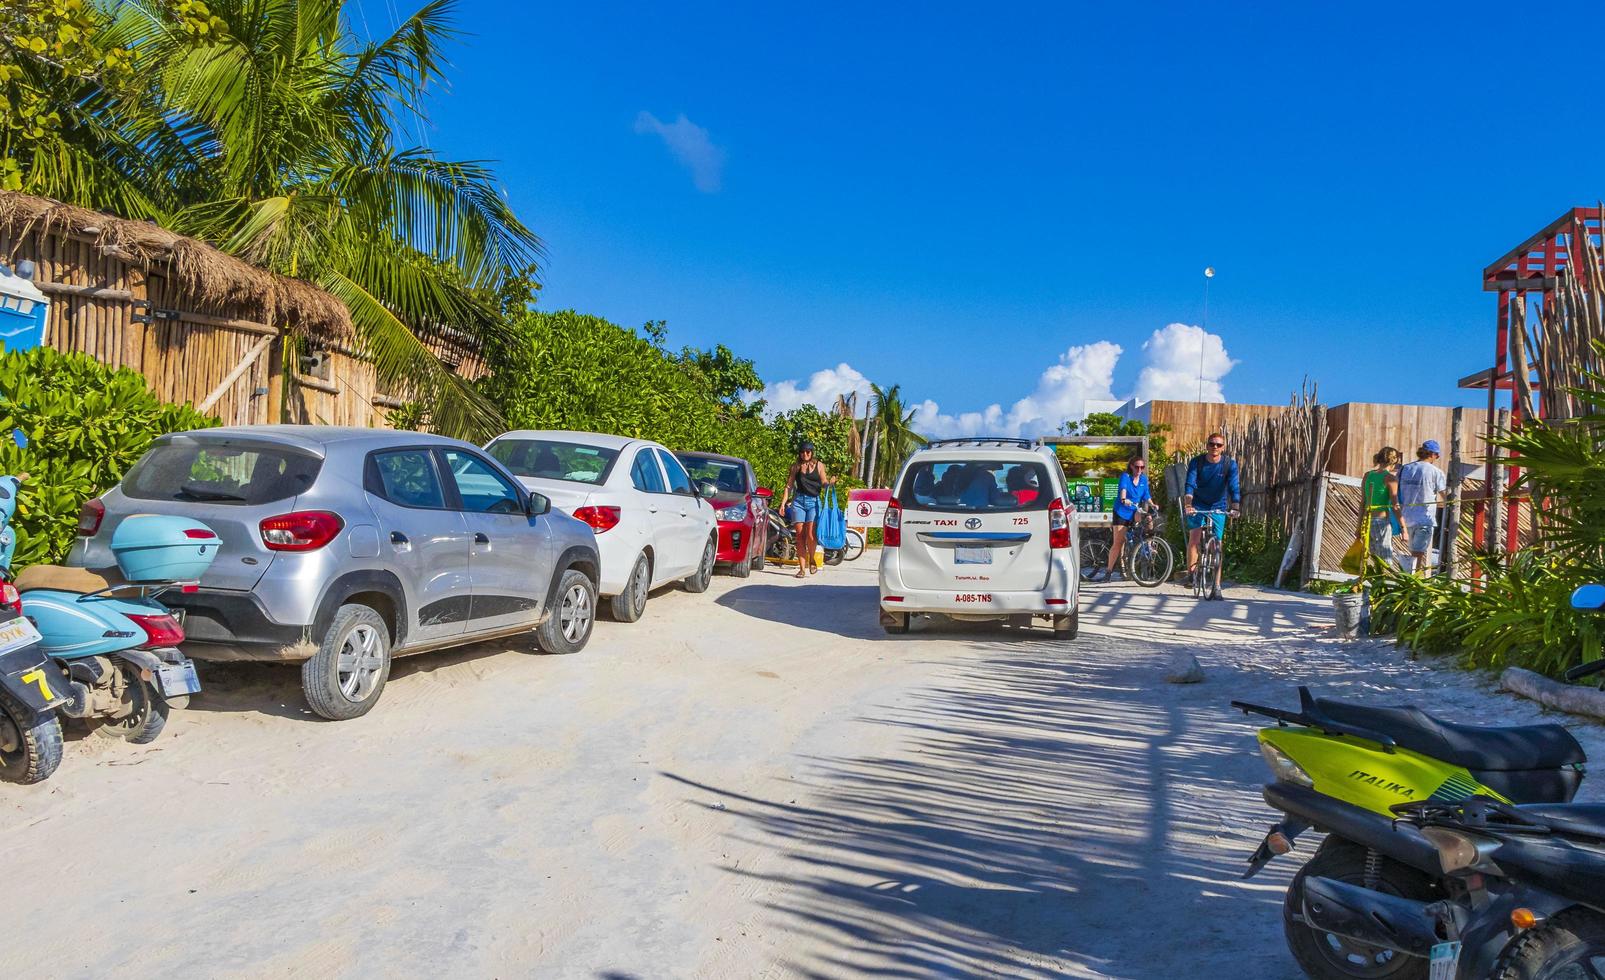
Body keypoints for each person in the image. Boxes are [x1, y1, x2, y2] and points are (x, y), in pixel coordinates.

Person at [1182, 433, 1241, 601]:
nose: (1215, 447)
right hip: (1198, 504)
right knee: (1194, 537)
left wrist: (1235, 506)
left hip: (1218, 505)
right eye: (1212, 444)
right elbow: (1190, 484)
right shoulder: (1197, 462)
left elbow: (1234, 486)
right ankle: (1192, 574)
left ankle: (1216, 586)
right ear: (1206, 445)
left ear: (1223, 447)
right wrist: (1188, 504)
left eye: (1218, 445)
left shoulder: (1229, 464)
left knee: (1218, 545)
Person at [1092, 456, 1153, 582]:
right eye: (1137, 467)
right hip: (1122, 511)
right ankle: (1108, 572)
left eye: (1142, 467)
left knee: (1149, 519)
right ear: (1131, 466)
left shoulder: (1143, 479)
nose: (1139, 469)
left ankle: (1149, 544)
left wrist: (1152, 504)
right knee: (1118, 543)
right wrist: (1124, 499)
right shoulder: (1125, 476)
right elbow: (1123, 491)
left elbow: (1146, 495)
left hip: (1134, 510)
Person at [779, 442, 834, 578]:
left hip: (813, 502)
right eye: (803, 452)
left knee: (810, 534)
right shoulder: (796, 467)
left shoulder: (819, 465)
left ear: (812, 452)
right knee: (799, 535)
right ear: (799, 453)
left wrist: (830, 484)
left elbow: (824, 482)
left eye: (808, 452)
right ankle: (802, 569)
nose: (805, 454)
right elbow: (789, 486)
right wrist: (783, 503)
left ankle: (812, 559)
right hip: (798, 501)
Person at [1397, 439, 1448, 575]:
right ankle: (1412, 584)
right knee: (1418, 556)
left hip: (1406, 518)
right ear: (1432, 454)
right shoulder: (1436, 472)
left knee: (1413, 553)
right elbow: (1445, 495)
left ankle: (1408, 578)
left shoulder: (1405, 469)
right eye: (1437, 455)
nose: (1437, 458)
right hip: (1424, 519)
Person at [1359, 446, 1402, 565]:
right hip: (1381, 522)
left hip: (1367, 520)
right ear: (1394, 461)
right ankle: (1383, 583)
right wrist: (1403, 526)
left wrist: (1358, 527)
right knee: (1385, 560)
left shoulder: (1368, 475)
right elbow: (1395, 505)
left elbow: (1363, 502)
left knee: (1372, 559)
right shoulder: (1390, 478)